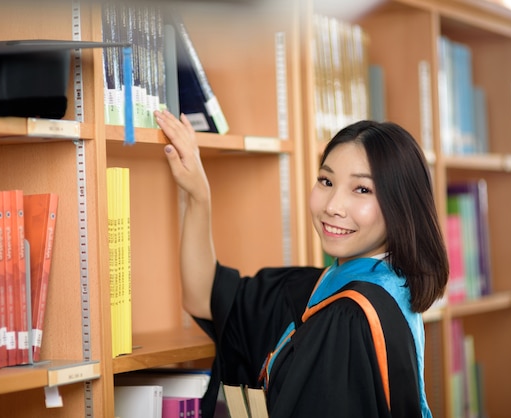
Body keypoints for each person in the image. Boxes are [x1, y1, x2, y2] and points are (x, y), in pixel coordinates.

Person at [154, 109, 449, 418]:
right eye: (326, 181)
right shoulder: (338, 287)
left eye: (362, 189)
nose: (333, 206)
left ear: (402, 206)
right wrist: (198, 196)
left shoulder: (350, 317)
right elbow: (205, 297)